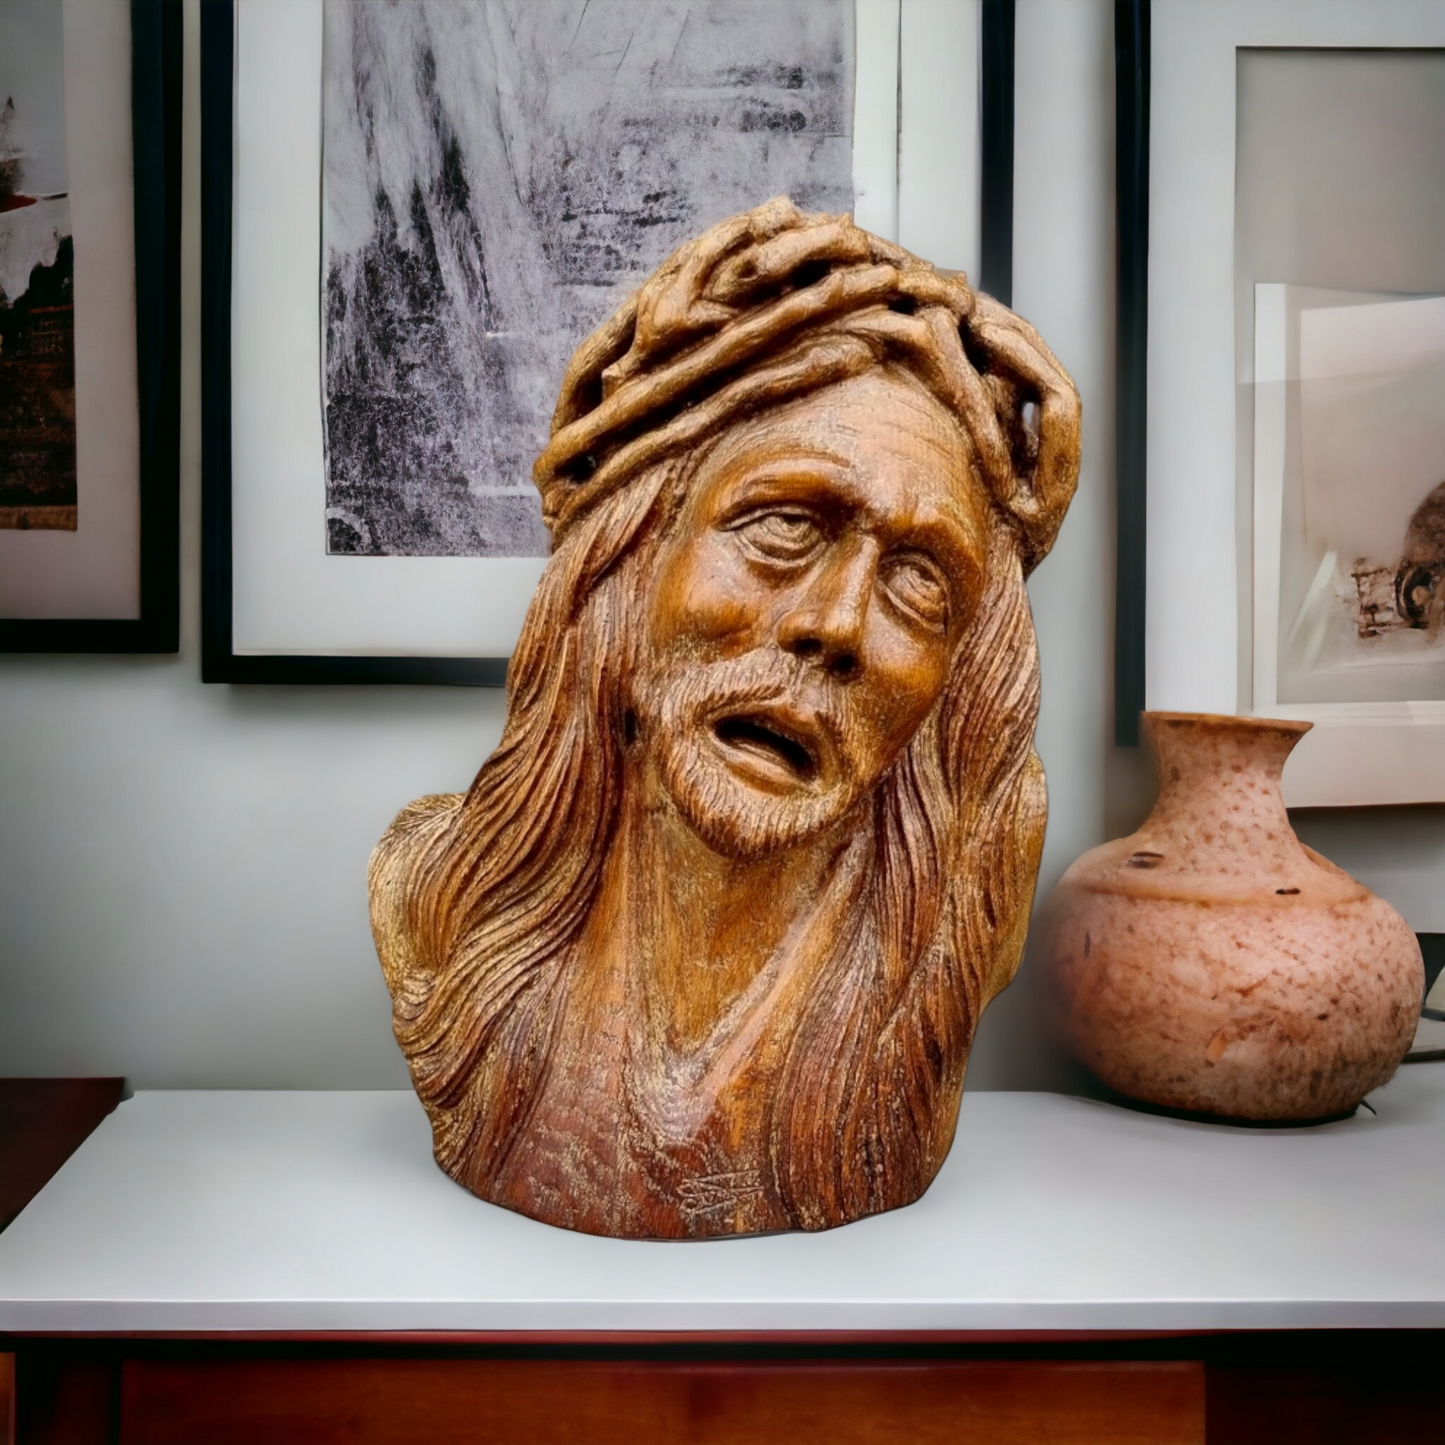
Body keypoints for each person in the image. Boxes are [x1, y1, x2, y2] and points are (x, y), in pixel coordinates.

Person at [370, 198, 1081, 1238]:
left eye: (919, 584)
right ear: (629, 558)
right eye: (783, 525)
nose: (835, 624)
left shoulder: (954, 923)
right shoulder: (429, 895)